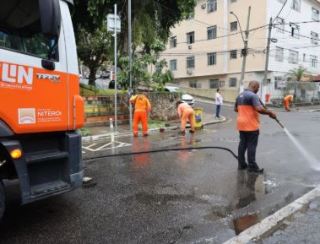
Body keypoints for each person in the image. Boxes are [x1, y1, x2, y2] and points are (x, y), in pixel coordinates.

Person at [234, 81, 277, 174]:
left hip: (241, 124)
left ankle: (241, 164)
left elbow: (235, 109)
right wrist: (270, 113)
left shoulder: (240, 95)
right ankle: (252, 167)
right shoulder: (253, 96)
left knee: (242, 144)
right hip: (250, 124)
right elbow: (259, 109)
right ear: (254, 86)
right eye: (258, 88)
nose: (258, 90)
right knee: (251, 145)